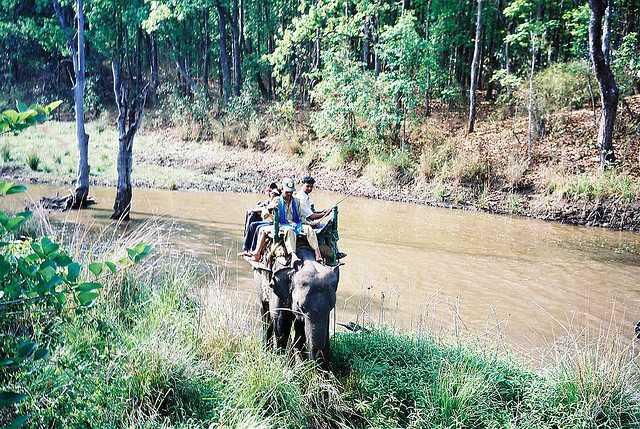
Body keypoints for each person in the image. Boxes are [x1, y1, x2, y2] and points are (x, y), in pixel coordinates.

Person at [250, 177, 323, 263]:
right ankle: (293, 255)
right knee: (289, 230)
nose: (289, 194)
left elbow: (301, 217)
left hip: (296, 224)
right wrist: (270, 209)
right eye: (287, 192)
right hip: (282, 225)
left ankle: (317, 253)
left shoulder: (296, 201)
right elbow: (264, 215)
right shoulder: (277, 200)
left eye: (291, 192)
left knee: (309, 229)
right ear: (282, 190)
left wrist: (311, 223)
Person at [241, 183, 280, 254]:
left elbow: (266, 211)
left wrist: (255, 210)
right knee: (252, 219)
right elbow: (264, 206)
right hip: (273, 221)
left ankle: (252, 250)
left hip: (275, 223)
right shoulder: (271, 199)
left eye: (271, 193)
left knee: (256, 226)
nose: (271, 194)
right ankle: (247, 248)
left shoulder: (276, 200)